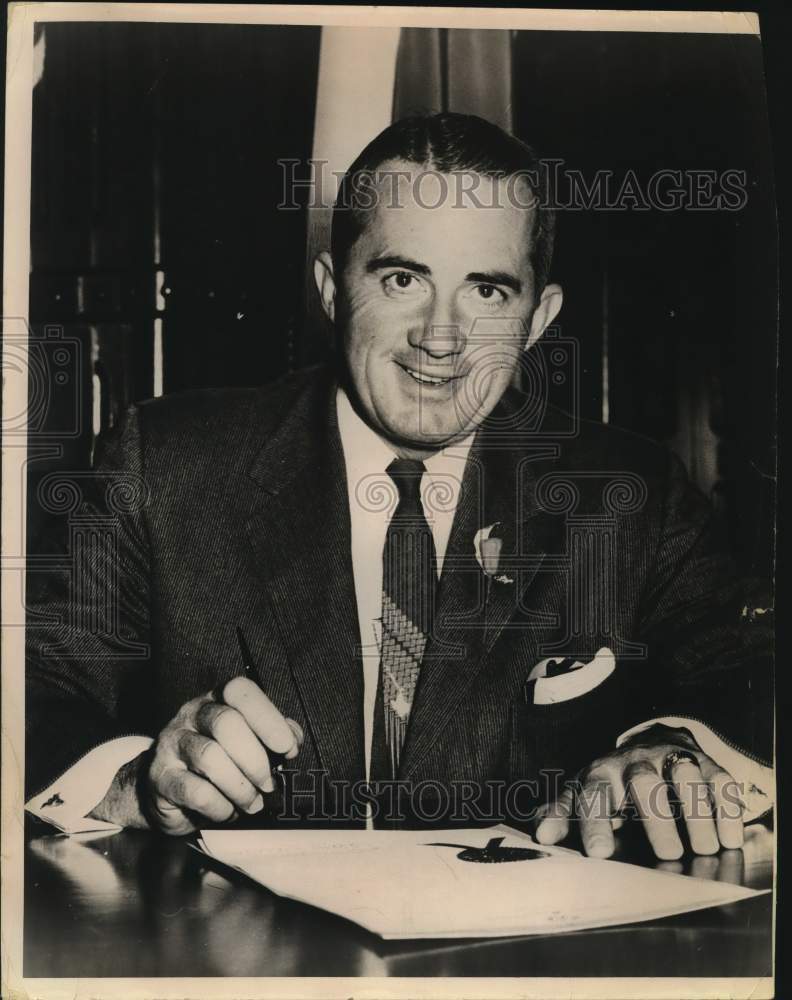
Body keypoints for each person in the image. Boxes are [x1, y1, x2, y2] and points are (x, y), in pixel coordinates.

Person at [26, 113, 773, 858]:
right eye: (402, 278)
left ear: (538, 319)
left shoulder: (627, 489)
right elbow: (35, 697)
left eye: (487, 291)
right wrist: (136, 783)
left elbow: (750, 674)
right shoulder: (164, 466)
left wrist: (676, 748)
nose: (439, 337)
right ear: (331, 289)